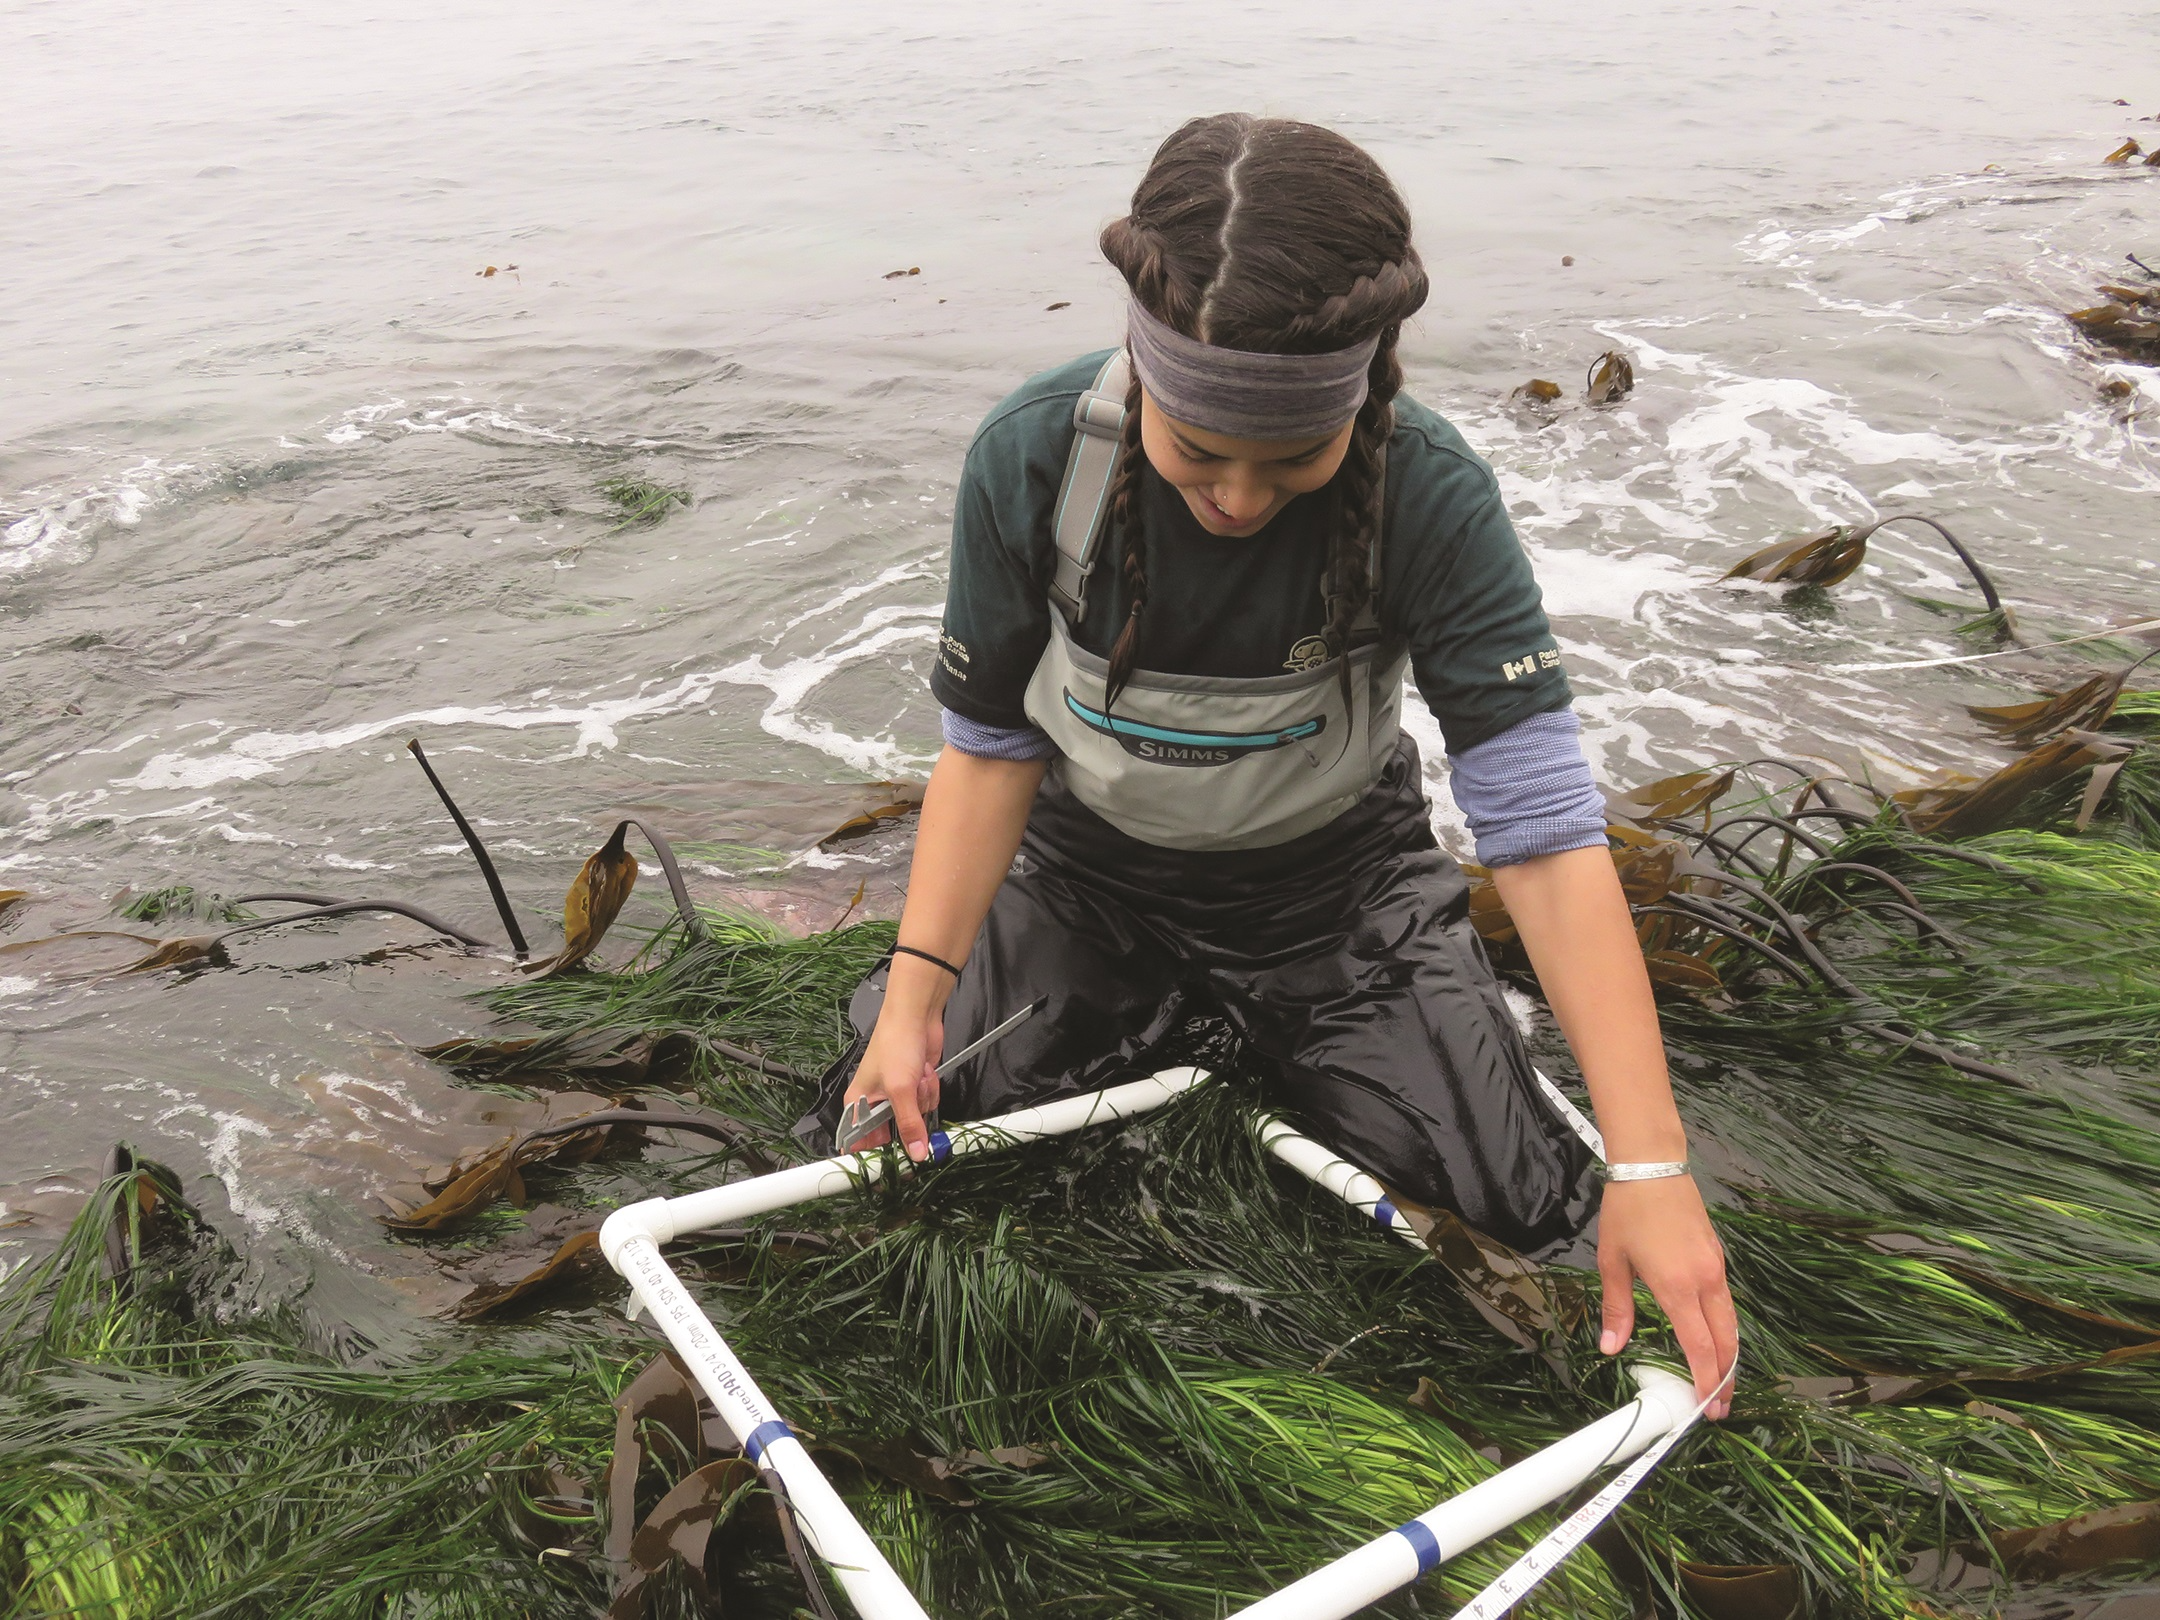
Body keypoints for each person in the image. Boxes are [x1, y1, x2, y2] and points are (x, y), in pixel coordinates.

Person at [804, 114, 1736, 1414]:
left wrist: (1650, 1167)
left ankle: (1313, 1027)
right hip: (1090, 880)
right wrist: (915, 999)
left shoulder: (1431, 495)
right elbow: (991, 747)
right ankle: (1169, 1019)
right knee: (888, 1129)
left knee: (1512, 1203)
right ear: (1142, 369)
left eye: (1291, 460)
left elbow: (1539, 832)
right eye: (1199, 453)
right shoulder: (1033, 456)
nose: (1239, 500)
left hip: (1335, 893)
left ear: (1361, 397)